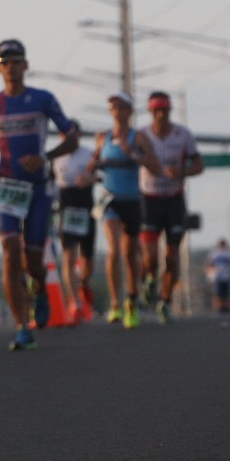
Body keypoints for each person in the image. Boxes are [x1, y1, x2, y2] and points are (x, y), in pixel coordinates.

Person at [0, 39, 79, 351]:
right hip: (7, 186)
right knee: (9, 251)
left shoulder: (43, 99)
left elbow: (71, 139)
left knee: (33, 258)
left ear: (26, 65)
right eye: (5, 62)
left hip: (39, 188)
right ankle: (21, 326)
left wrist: (46, 157)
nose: (11, 67)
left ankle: (41, 288)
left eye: (17, 61)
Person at [88, 92, 159, 328]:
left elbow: (155, 166)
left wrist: (134, 155)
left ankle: (131, 300)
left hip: (132, 200)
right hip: (109, 200)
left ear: (129, 110)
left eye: (121, 107)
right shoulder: (102, 138)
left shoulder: (137, 137)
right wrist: (88, 171)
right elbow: (92, 164)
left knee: (130, 254)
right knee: (113, 251)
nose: (117, 111)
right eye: (113, 107)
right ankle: (115, 304)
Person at [138, 91, 204, 323]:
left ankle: (165, 301)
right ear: (150, 112)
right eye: (156, 111)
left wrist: (182, 172)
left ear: (169, 111)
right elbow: (130, 154)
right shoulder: (142, 136)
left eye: (164, 111)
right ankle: (149, 280)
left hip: (174, 200)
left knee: (173, 257)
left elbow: (199, 164)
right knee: (150, 257)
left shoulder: (183, 135)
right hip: (149, 200)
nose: (161, 115)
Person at [52, 123, 97, 320]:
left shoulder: (89, 154)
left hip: (86, 207)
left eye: (71, 135)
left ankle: (84, 283)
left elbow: (101, 175)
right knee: (68, 255)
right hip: (66, 208)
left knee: (87, 261)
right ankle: (74, 303)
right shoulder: (54, 158)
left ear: (78, 135)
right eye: (63, 135)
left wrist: (90, 178)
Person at [205, 238, 230, 314]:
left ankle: (226, 307)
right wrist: (209, 274)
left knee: (226, 293)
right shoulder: (214, 253)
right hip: (217, 276)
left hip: (227, 276)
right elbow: (209, 264)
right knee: (217, 293)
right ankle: (218, 307)